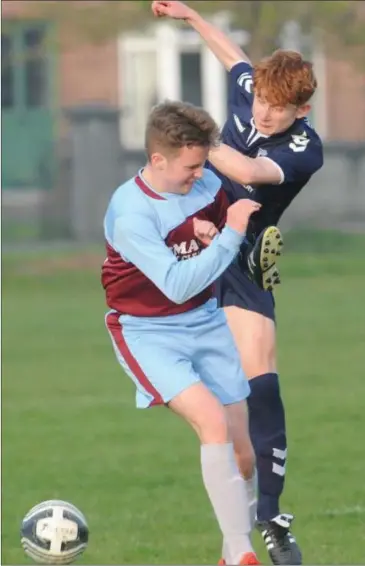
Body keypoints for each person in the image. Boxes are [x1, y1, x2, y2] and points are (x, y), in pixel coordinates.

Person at [151, 3, 324, 565]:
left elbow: (249, 173)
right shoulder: (255, 89)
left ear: (304, 108)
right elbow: (234, 57)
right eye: (261, 101)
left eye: (280, 108)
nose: (265, 113)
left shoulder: (304, 149)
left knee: (262, 388)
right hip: (197, 246)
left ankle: (269, 519)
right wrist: (193, 18)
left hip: (244, 258)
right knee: (227, 434)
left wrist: (197, 138)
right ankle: (237, 543)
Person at [101, 100, 263, 566]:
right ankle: (243, 554)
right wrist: (230, 234)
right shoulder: (131, 213)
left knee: (244, 456)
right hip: (148, 333)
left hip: (208, 321)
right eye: (190, 166)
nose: (200, 175)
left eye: (202, 163)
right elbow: (174, 286)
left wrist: (217, 233)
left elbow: (211, 241)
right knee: (211, 423)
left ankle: (230, 555)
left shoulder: (207, 181)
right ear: (158, 160)